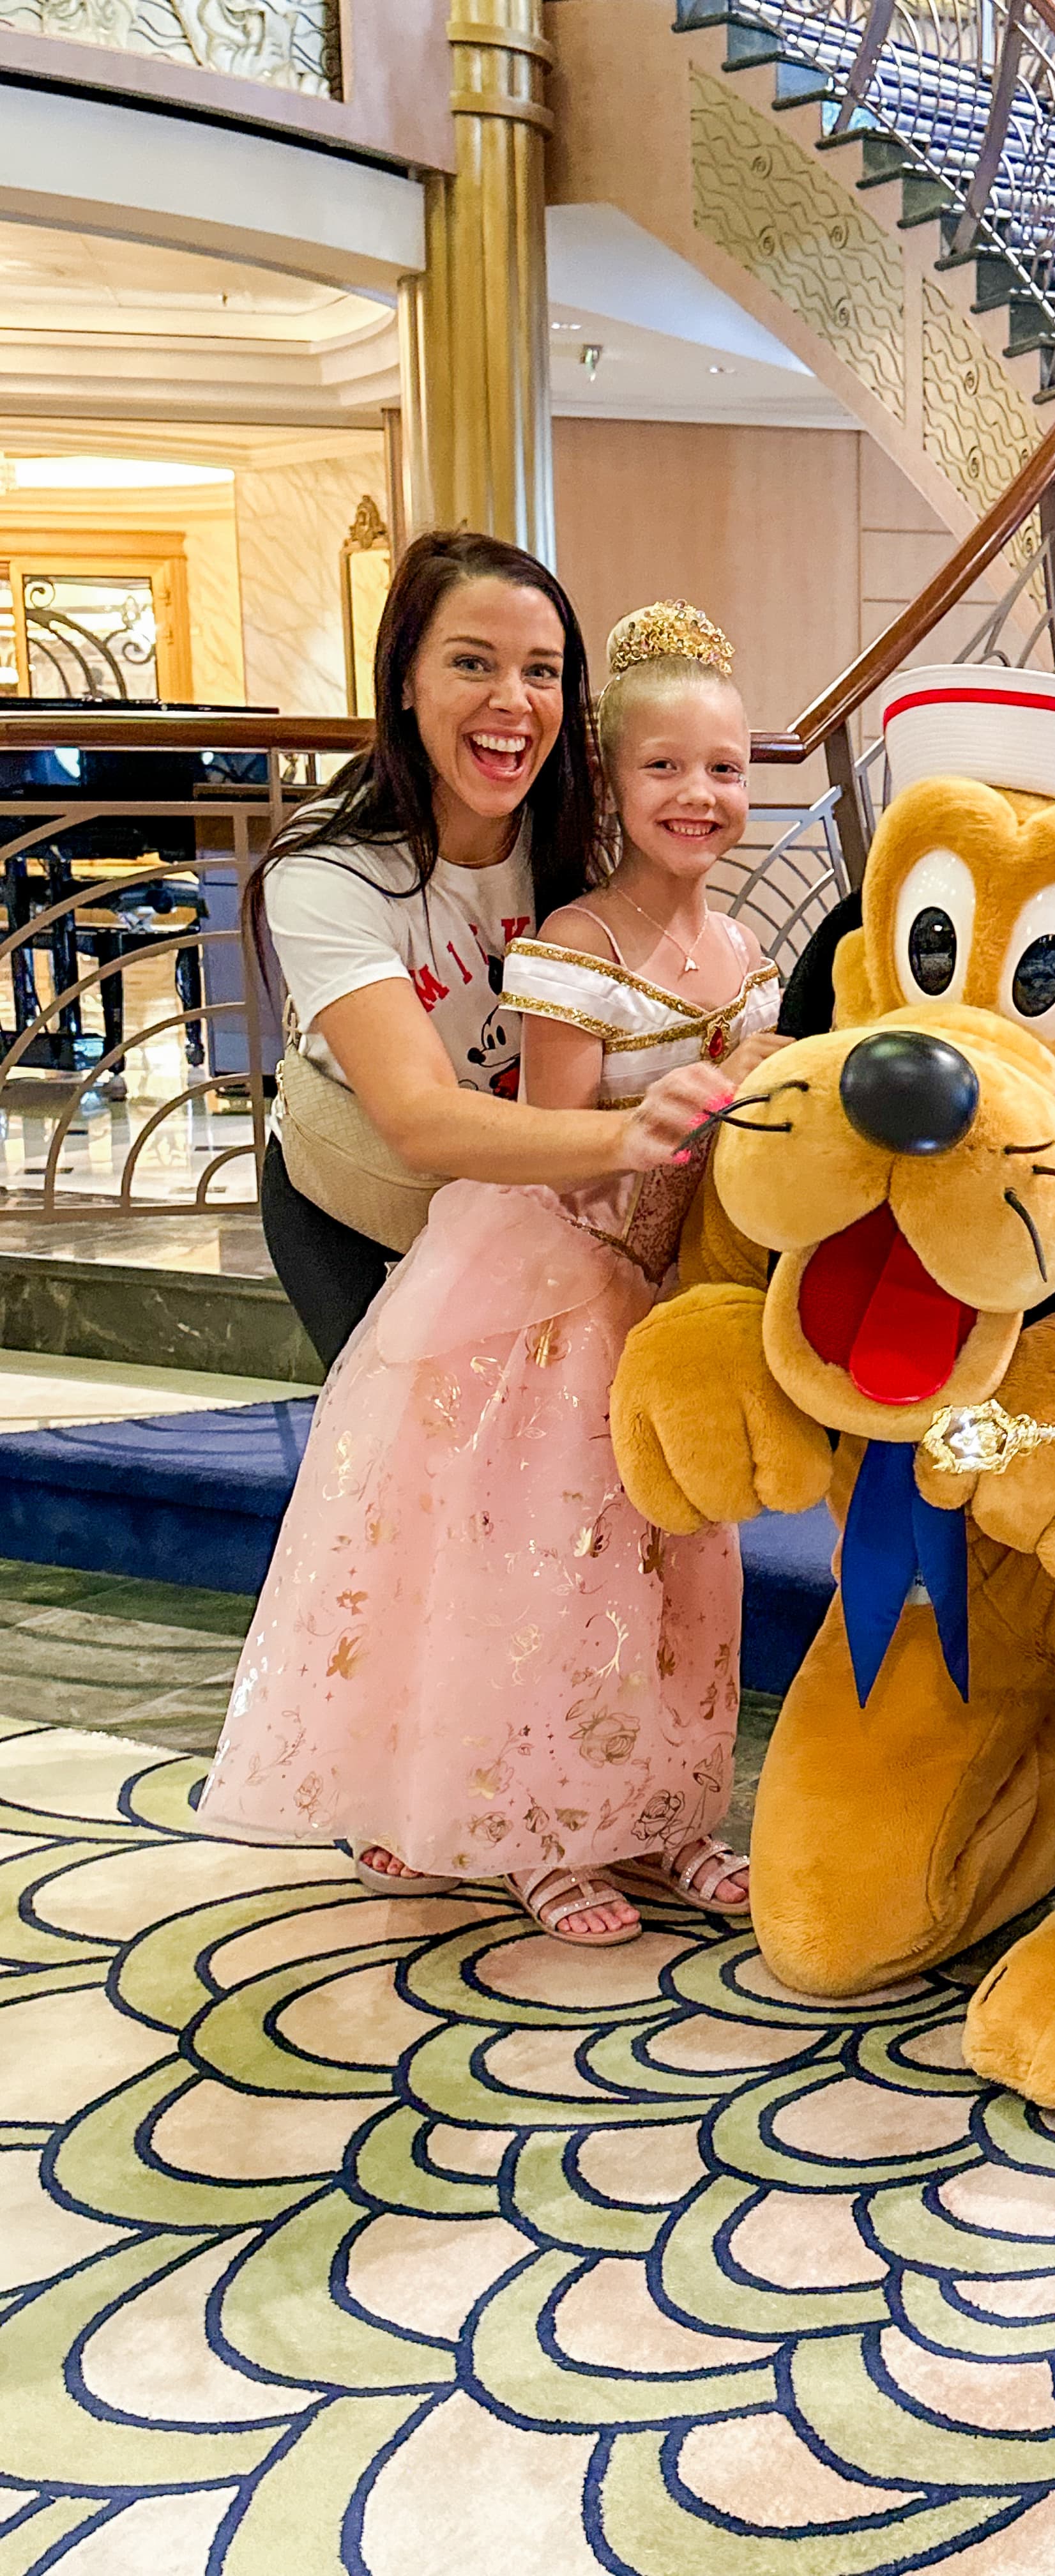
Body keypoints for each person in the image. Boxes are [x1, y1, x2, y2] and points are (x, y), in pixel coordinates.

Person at [202, 603, 784, 1947]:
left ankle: (662, 1809)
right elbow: (545, 1147)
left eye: (724, 768)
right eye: (662, 768)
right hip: (550, 1281)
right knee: (530, 1557)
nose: (697, 794)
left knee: (675, 1557)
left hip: (669, 1290)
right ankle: (525, 1825)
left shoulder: (740, 948)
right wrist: (700, 1108)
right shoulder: (559, 936)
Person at [250, 529, 717, 1369]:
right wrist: (628, 1138)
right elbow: (419, 1117)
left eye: (541, 671)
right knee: (400, 1436)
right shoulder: (329, 868)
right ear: (404, 681)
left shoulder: (573, 824)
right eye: (472, 663)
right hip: (363, 1202)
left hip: (520, 1202)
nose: (513, 699)